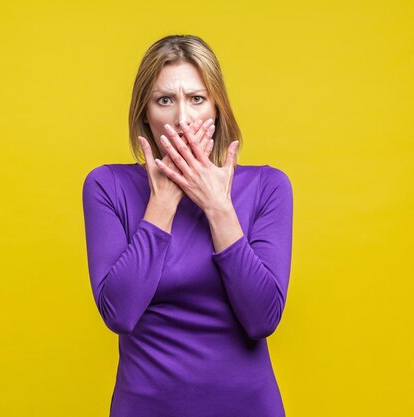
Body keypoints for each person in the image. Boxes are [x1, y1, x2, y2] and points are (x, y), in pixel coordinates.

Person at [82, 34, 293, 417]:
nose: (182, 118)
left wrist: (218, 207)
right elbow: (120, 313)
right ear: (145, 112)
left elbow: (263, 318)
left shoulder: (267, 186)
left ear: (216, 107)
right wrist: (161, 203)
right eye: (165, 100)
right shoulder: (107, 185)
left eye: (197, 99)